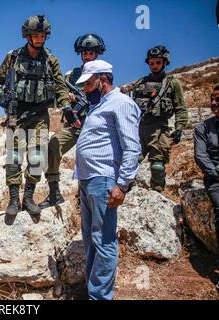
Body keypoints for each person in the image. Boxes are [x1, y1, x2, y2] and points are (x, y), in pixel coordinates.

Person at [0, 15, 74, 217]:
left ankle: (28, 198)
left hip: (39, 115)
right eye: (35, 35)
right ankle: (13, 200)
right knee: (14, 157)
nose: (39, 39)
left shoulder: (50, 60)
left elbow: (61, 86)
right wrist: (0, 94)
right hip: (16, 114)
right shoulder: (13, 58)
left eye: (42, 35)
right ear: (27, 36)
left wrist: (66, 106)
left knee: (36, 157)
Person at [74, 60, 141, 300]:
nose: (85, 89)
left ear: (103, 80)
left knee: (103, 241)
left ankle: (100, 297)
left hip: (104, 180)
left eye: (89, 84)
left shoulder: (121, 103)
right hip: (87, 181)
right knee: (91, 240)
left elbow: (132, 147)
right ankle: (94, 290)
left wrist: (122, 185)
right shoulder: (98, 105)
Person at [40, 33, 106, 209]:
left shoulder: (104, 74)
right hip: (75, 125)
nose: (87, 56)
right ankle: (54, 193)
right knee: (52, 146)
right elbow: (58, 98)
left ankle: (86, 198)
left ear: (97, 54)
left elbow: (108, 99)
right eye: (84, 52)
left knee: (89, 162)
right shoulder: (71, 76)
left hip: (97, 128)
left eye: (91, 52)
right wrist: (68, 99)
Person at [129, 45, 188, 192]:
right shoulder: (140, 83)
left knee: (157, 166)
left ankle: (157, 192)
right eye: (151, 63)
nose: (154, 66)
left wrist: (179, 129)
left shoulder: (172, 84)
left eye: (158, 63)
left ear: (165, 62)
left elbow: (180, 108)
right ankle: (126, 189)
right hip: (139, 129)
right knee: (130, 162)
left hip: (159, 130)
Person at [193, 84, 219, 293]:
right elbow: (201, 156)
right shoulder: (202, 128)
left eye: (218, 99)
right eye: (212, 99)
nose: (214, 103)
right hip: (216, 178)